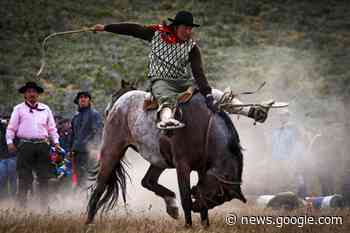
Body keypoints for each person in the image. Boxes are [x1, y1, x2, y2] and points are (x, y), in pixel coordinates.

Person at [93, 11, 267, 129]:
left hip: (183, 82)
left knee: (215, 94)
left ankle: (249, 111)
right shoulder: (157, 34)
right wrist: (106, 27)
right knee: (165, 94)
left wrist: (207, 95)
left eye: (191, 28)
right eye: (186, 27)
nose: (189, 31)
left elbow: (199, 73)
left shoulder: (192, 47)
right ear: (176, 27)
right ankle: (166, 120)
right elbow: (132, 29)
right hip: (161, 80)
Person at [6, 81, 60, 209]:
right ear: (25, 94)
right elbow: (11, 128)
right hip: (25, 145)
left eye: (34, 91)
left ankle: (44, 205)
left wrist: (56, 142)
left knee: (44, 177)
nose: (32, 94)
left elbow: (52, 128)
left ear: (38, 94)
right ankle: (22, 206)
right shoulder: (18, 109)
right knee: (24, 177)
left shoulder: (46, 108)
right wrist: (9, 142)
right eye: (29, 91)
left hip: (43, 145)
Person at [266, 109, 308, 197]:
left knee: (294, 177)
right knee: (281, 179)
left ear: (288, 116)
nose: (281, 117)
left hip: (290, 158)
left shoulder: (294, 128)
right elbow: (273, 145)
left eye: (284, 115)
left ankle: (301, 197)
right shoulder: (276, 130)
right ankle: (283, 197)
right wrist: (271, 158)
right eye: (280, 116)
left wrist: (293, 158)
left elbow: (299, 143)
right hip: (277, 158)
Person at [70, 91, 103, 188]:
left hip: (89, 152)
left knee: (90, 177)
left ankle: (89, 198)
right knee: (79, 178)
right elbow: (73, 135)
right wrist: (71, 149)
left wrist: (96, 148)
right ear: (78, 101)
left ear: (89, 100)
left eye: (85, 97)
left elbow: (98, 132)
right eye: (80, 97)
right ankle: (80, 198)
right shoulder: (75, 117)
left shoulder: (94, 114)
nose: (83, 99)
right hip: (77, 152)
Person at [0, 117, 17, 200]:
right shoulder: (3, 130)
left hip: (13, 158)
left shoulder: (16, 132)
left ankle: (13, 197)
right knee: (2, 178)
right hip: (3, 158)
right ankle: (3, 197)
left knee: (12, 178)